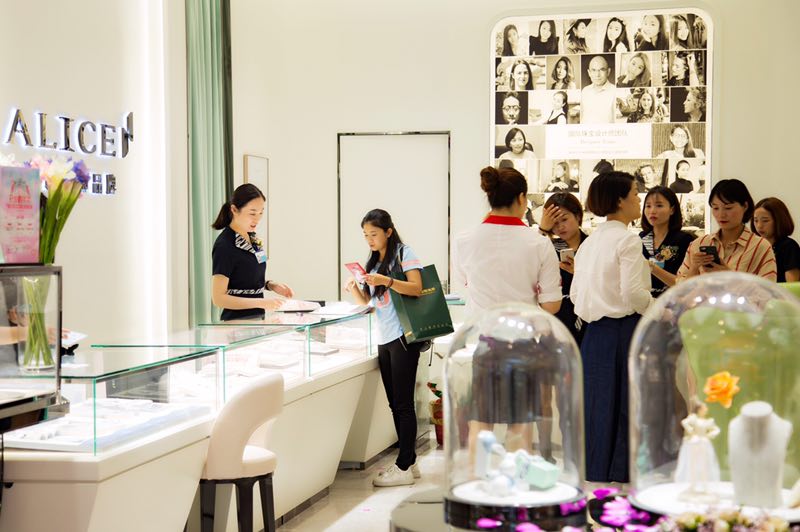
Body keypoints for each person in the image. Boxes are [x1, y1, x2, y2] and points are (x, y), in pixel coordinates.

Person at [452, 166, 561, 458]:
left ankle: (478, 479)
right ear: (522, 198)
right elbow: (551, 305)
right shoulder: (539, 243)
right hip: (523, 343)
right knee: (520, 422)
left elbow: (465, 282)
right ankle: (519, 480)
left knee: (481, 419)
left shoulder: (464, 240)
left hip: (484, 341)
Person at [570, 171, 653, 483]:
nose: (639, 199)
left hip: (593, 334)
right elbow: (633, 293)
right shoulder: (628, 240)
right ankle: (621, 474)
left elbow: (576, 295)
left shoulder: (590, 242)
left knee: (597, 405)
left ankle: (596, 472)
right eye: (635, 193)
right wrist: (656, 308)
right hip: (624, 330)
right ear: (620, 200)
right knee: (625, 405)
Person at [345, 209, 424, 487]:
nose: (370, 239)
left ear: (388, 232)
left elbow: (416, 288)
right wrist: (355, 289)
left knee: (403, 404)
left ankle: (403, 467)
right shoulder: (374, 261)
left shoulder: (403, 252)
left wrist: (386, 280)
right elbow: (370, 305)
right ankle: (409, 461)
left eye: (374, 234)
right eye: (366, 235)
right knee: (395, 404)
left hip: (403, 336)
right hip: (384, 337)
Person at [211, 183, 293, 321]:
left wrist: (271, 285)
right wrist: (261, 303)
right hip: (236, 323)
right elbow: (218, 298)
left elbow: (250, 277)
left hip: (257, 320)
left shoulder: (254, 238)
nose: (257, 219)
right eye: (252, 213)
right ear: (234, 210)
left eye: (261, 213)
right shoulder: (224, 245)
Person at [677, 179, 777, 281]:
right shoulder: (698, 244)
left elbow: (768, 288)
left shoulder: (760, 247)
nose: (721, 215)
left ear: (745, 206)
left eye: (728, 208)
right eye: (715, 208)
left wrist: (730, 277)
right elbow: (680, 286)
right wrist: (694, 269)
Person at [538, 192, 587, 344]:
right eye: (554, 222)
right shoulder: (547, 247)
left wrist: (579, 272)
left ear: (577, 216)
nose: (560, 227)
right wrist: (542, 229)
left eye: (564, 219)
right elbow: (530, 266)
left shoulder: (592, 245)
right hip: (555, 322)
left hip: (587, 320)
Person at [640, 186, 696, 296]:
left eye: (659, 205)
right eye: (648, 206)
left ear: (672, 209)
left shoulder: (684, 240)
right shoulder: (641, 238)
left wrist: (652, 267)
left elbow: (687, 283)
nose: (652, 211)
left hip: (674, 301)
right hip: (643, 302)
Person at [752, 197, 800, 282]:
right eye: (756, 220)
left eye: (765, 221)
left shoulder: (789, 246)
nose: (759, 226)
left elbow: (792, 284)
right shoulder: (755, 246)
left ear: (779, 220)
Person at [581, 55, 615, 124]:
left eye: (602, 70)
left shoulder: (615, 91)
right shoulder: (585, 91)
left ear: (608, 72)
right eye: (594, 70)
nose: (597, 75)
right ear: (589, 73)